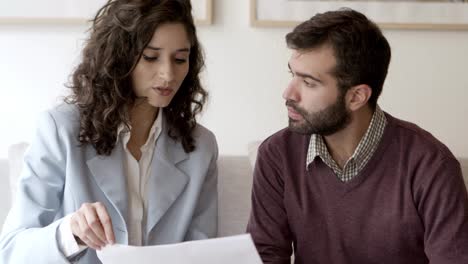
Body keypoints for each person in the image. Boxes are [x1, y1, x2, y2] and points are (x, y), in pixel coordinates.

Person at [0, 0, 218, 263]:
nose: (168, 73)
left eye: (180, 59)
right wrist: (70, 233)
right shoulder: (61, 130)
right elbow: (12, 250)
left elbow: (204, 252)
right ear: (120, 56)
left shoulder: (200, 146)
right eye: (151, 57)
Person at [247, 8, 468, 264]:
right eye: (292, 75)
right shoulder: (276, 155)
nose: (288, 93)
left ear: (356, 97)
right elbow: (265, 256)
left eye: (308, 83)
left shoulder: (431, 164)